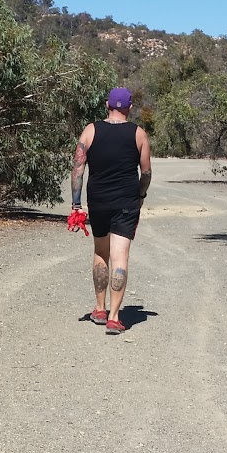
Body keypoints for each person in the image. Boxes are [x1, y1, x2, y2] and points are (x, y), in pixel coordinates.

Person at [70, 87, 151, 333]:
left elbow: (78, 169)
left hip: (99, 201)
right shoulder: (139, 134)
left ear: (107, 104)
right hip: (126, 201)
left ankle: (99, 308)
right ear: (130, 107)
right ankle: (115, 318)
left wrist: (76, 203)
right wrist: (140, 194)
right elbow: (146, 173)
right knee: (120, 257)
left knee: (100, 252)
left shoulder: (91, 130)